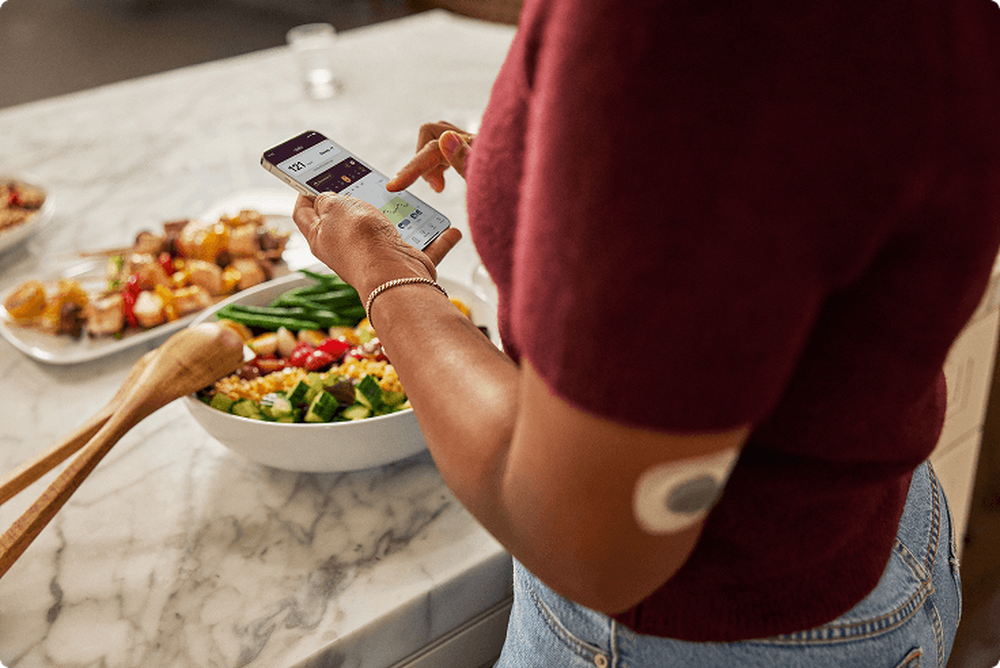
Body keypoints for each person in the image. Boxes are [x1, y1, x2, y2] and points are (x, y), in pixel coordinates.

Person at [292, 0, 1000, 665]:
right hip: (854, 528)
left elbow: (590, 545)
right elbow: (784, 195)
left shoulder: (685, 32)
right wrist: (573, 184)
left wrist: (388, 277)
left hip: (710, 631)